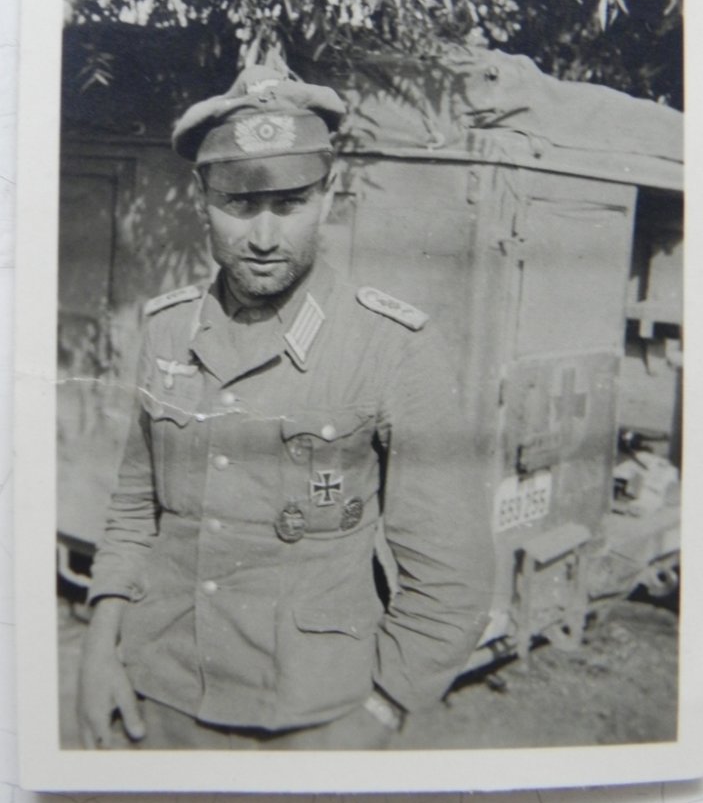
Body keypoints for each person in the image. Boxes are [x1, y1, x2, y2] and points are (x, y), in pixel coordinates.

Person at [77, 61, 494, 750]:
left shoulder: (392, 346)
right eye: (239, 205)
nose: (265, 237)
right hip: (161, 698)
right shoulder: (168, 329)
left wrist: (382, 710)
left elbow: (452, 571)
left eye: (291, 204)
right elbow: (134, 509)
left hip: (316, 720)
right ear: (201, 199)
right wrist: (99, 652)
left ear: (329, 198)